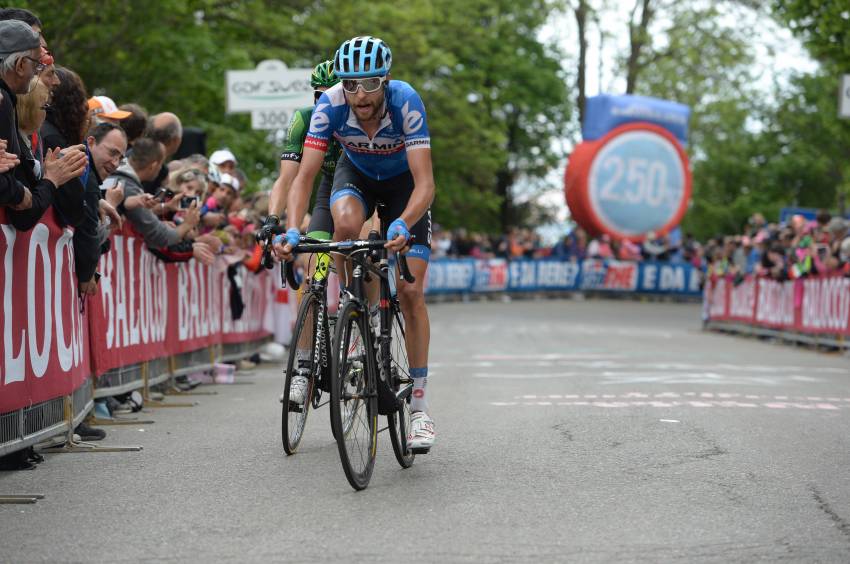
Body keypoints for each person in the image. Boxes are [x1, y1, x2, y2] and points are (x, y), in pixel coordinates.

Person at [276, 36, 436, 451]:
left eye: (368, 84)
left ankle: (419, 408)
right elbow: (304, 178)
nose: (359, 95)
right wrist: (293, 230)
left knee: (411, 291)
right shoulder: (329, 105)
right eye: (350, 85)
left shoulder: (406, 102)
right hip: (358, 174)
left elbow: (426, 183)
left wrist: (402, 222)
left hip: (403, 186)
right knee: (345, 223)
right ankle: (356, 311)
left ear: (385, 80)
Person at [0, 20, 86, 224]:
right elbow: (21, 214)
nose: (35, 75)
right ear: (21, 65)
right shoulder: (2, 101)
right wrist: (50, 180)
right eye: (36, 65)